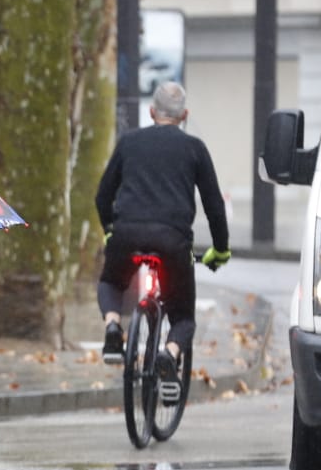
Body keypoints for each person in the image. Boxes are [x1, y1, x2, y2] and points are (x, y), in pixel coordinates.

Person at [96, 82, 230, 404]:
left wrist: (109, 230)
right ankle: (169, 355)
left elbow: (103, 195)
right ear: (184, 115)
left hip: (126, 234)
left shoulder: (128, 142)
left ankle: (113, 327)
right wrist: (220, 249)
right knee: (182, 316)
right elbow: (214, 205)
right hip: (172, 242)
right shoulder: (195, 148)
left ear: (152, 112)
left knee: (111, 281)